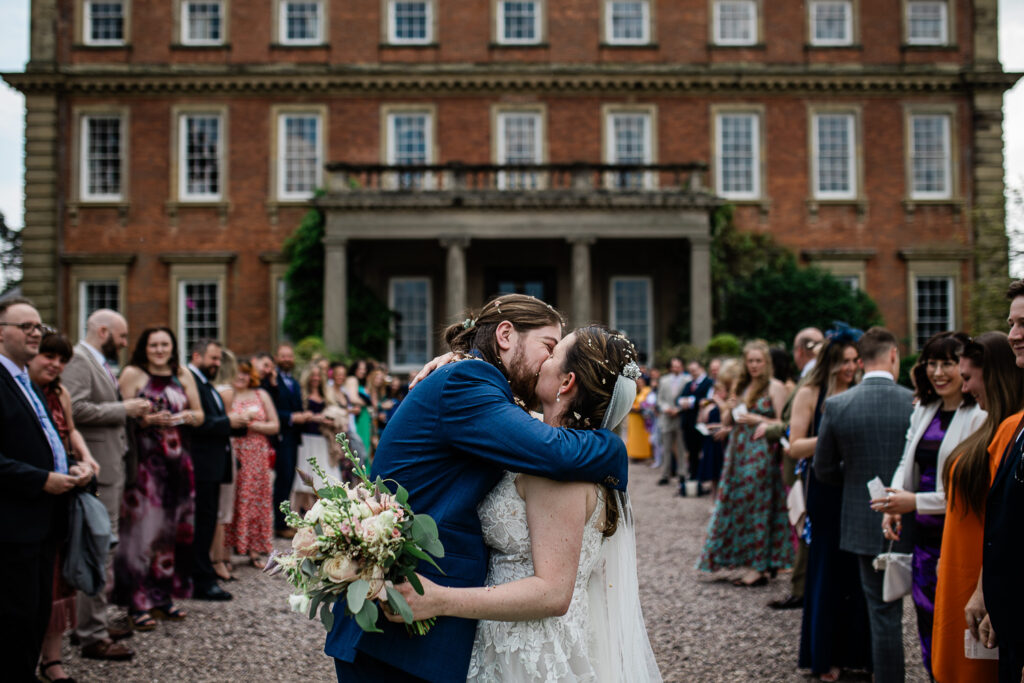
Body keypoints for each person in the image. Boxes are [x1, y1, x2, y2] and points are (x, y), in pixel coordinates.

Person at [325, 294, 628, 683]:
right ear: (505, 335)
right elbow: (553, 451)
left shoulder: (478, 382)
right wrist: (614, 446)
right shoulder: (468, 381)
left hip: (429, 620)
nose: (548, 364)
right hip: (402, 622)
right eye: (548, 348)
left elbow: (541, 435)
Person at [388, 326, 660, 681]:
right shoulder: (554, 446)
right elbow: (499, 414)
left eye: (553, 353)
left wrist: (439, 599)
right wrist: (459, 362)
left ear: (566, 383)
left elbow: (552, 593)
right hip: (508, 638)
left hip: (530, 653)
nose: (543, 360)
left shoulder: (558, 471)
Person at [877, 332, 985, 676]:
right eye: (932, 363)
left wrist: (914, 502)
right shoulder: (925, 407)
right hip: (922, 534)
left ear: (964, 367)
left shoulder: (979, 416)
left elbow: (972, 488)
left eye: (948, 364)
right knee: (926, 616)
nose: (938, 372)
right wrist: (895, 500)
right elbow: (905, 460)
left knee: (955, 620)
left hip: (957, 530)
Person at [813, 327, 914, 683]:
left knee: (883, 612)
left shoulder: (839, 405)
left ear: (862, 360)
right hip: (920, 516)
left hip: (863, 515)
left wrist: (857, 482)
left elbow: (823, 469)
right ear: (892, 356)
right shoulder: (915, 401)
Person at [0, 298, 93, 679]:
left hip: (43, 519)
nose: (36, 332)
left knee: (35, 613)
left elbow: (43, 439)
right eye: (26, 326)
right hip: (12, 523)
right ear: (1, 331)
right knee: (14, 619)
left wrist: (72, 465)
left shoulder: (29, 382)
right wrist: (41, 478)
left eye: (38, 326)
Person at [931, 332, 1024, 683]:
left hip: (977, 573)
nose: (965, 388)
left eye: (968, 378)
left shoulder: (1011, 430)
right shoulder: (997, 426)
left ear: (995, 375)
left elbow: (1006, 519)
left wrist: (985, 591)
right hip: (964, 567)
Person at [62, 308, 148, 661]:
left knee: (105, 548)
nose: (126, 343)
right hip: (98, 469)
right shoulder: (80, 361)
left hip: (112, 465)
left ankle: (91, 623)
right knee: (100, 549)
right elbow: (75, 410)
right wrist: (124, 409)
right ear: (102, 331)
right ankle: (91, 634)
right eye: (122, 336)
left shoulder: (98, 362)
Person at [792, 328, 870, 682]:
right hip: (823, 490)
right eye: (845, 362)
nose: (851, 368)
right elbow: (794, 446)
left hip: (857, 489)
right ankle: (826, 656)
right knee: (826, 569)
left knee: (857, 571)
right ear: (831, 363)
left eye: (856, 361)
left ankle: (860, 653)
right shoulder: (810, 393)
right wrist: (833, 431)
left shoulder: (862, 392)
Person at [113, 326, 203, 630]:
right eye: (154, 344)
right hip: (146, 467)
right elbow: (120, 415)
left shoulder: (182, 374)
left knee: (171, 532)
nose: (160, 349)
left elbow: (200, 414)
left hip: (179, 464)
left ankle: (162, 596)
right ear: (145, 347)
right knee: (141, 534)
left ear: (172, 346)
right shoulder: (133, 374)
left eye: (165, 344)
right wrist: (148, 420)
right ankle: (136, 602)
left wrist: (187, 417)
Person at [28, 332, 102, 682]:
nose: (55, 364)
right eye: (48, 356)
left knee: (59, 575)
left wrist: (87, 458)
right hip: (30, 490)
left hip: (64, 490)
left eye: (61, 359)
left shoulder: (60, 392)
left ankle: (53, 660)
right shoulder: (20, 391)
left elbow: (71, 431)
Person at [697, 340, 791, 586]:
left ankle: (759, 566)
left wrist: (758, 417)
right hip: (737, 452)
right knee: (738, 506)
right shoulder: (743, 386)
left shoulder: (775, 387)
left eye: (759, 361)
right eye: (750, 361)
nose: (754, 365)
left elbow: (785, 423)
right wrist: (728, 406)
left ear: (766, 363)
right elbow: (730, 420)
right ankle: (747, 561)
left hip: (761, 452)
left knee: (759, 508)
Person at [978, 280, 1024, 683]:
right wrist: (996, 602)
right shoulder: (1020, 424)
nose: (1013, 335)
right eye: (1012, 323)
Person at [765, 326, 823, 611]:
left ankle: (802, 588)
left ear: (799, 351)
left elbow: (793, 424)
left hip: (803, 460)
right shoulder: (810, 376)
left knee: (803, 524)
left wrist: (768, 427)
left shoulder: (813, 377)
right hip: (802, 458)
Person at [187, 338, 250, 601]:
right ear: (196, 355)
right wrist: (228, 421)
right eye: (213, 358)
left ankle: (204, 576)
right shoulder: (192, 381)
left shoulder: (205, 384)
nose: (216, 363)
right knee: (202, 523)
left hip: (214, 464)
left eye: (218, 359)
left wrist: (239, 424)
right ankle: (201, 580)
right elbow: (197, 423)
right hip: (201, 464)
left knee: (208, 521)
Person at [224, 357, 279, 568]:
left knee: (256, 498)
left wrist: (252, 426)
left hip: (256, 452)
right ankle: (226, 553)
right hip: (234, 449)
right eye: (237, 372)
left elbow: (275, 426)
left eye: (246, 373)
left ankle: (255, 550)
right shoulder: (227, 394)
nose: (241, 376)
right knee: (233, 499)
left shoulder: (261, 394)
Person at [262, 344, 310, 538]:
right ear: (276, 358)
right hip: (279, 436)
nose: (287, 359)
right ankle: (279, 525)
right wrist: (292, 417)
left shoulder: (295, 382)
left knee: (289, 479)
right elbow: (269, 409)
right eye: (283, 356)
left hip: (293, 437)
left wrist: (304, 416)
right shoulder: (270, 382)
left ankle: (284, 521)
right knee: (282, 481)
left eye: (289, 356)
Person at [291, 362, 344, 513]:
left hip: (323, 440)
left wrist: (329, 419)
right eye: (312, 375)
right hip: (306, 440)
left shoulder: (326, 395)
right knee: (303, 482)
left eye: (317, 375)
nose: (315, 378)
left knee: (324, 480)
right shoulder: (301, 395)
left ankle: (325, 516)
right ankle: (296, 518)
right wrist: (315, 418)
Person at [677, 359, 713, 495]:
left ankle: (701, 476)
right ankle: (693, 475)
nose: (693, 373)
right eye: (691, 371)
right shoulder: (688, 384)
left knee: (700, 450)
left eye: (695, 370)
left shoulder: (708, 383)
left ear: (701, 368)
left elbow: (706, 399)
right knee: (691, 451)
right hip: (688, 423)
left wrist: (690, 401)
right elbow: (679, 398)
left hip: (701, 422)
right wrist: (682, 401)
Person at [655, 357, 689, 485]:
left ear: (682, 367)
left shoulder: (688, 380)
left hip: (680, 417)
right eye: (673, 366)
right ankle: (665, 474)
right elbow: (660, 399)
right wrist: (666, 409)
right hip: (666, 417)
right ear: (670, 367)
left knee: (681, 448)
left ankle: (682, 473)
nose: (675, 368)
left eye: (678, 366)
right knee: (666, 447)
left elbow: (688, 398)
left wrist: (679, 409)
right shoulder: (664, 380)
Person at [343, 358, 375, 459]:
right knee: (360, 448)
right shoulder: (352, 379)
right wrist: (367, 403)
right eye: (360, 368)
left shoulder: (360, 382)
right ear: (354, 369)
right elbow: (352, 398)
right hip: (358, 417)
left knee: (364, 447)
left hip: (363, 416)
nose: (363, 371)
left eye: (364, 369)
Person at [626, 373, 653, 461]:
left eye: (641, 381)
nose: (639, 383)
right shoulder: (635, 390)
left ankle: (644, 454)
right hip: (633, 417)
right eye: (638, 381)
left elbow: (647, 403)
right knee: (633, 436)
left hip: (642, 417)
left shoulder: (647, 390)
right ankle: (634, 454)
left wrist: (637, 407)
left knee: (643, 436)